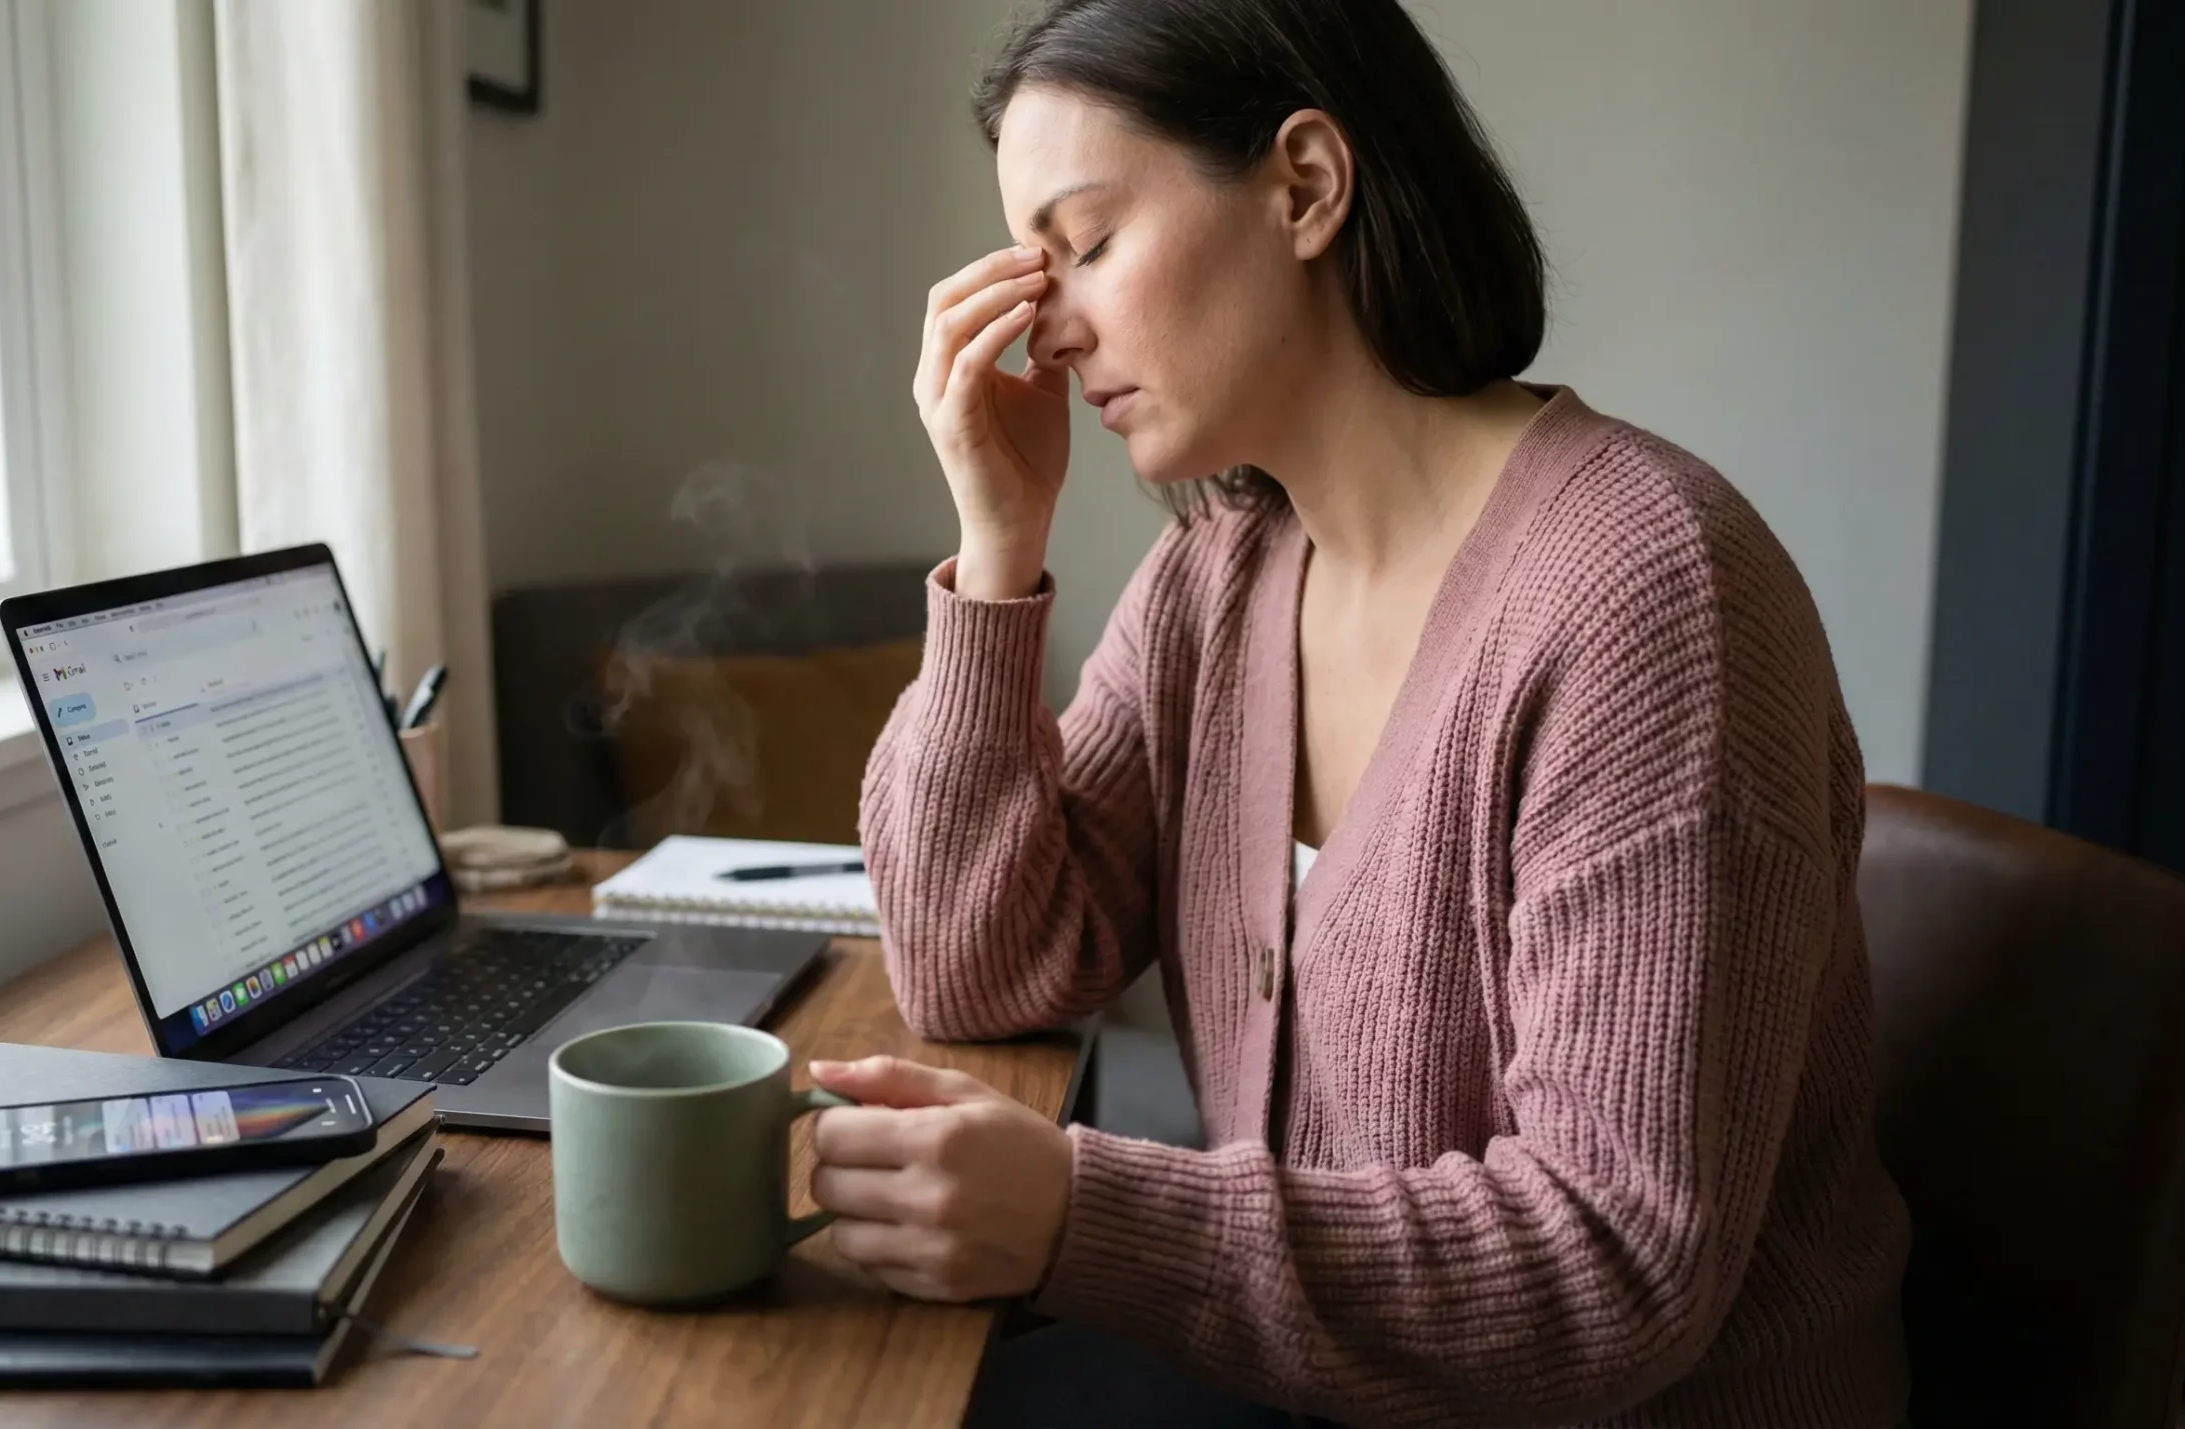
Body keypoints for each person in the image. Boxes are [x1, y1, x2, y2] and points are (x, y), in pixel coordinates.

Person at [802, 0, 1912, 1424]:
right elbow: (978, 966)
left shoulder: (1646, 596)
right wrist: (998, 545)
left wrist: (1082, 1215)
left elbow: (1616, 1266)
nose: (1053, 333)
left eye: (1085, 247)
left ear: (1306, 186)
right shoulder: (1224, 569)